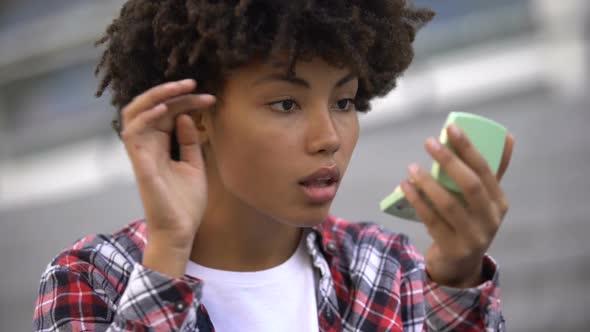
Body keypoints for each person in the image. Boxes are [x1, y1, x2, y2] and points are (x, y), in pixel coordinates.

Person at [33, 1, 515, 331]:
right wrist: (167, 254)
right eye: (287, 103)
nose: (329, 138)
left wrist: (456, 279)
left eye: (344, 102)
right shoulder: (88, 278)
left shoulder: (388, 267)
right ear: (196, 115)